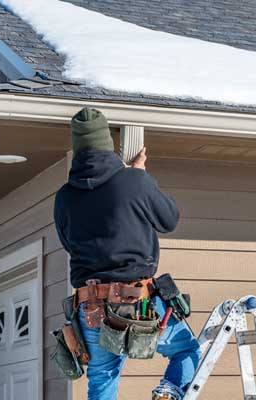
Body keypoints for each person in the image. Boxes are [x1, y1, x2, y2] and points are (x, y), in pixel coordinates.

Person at [54, 107, 200, 400]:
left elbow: (69, 244)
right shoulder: (134, 181)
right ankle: (168, 393)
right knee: (186, 350)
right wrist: (140, 178)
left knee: (102, 380)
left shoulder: (65, 197)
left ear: (78, 149)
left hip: (90, 306)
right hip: (137, 302)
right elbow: (169, 220)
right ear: (108, 146)